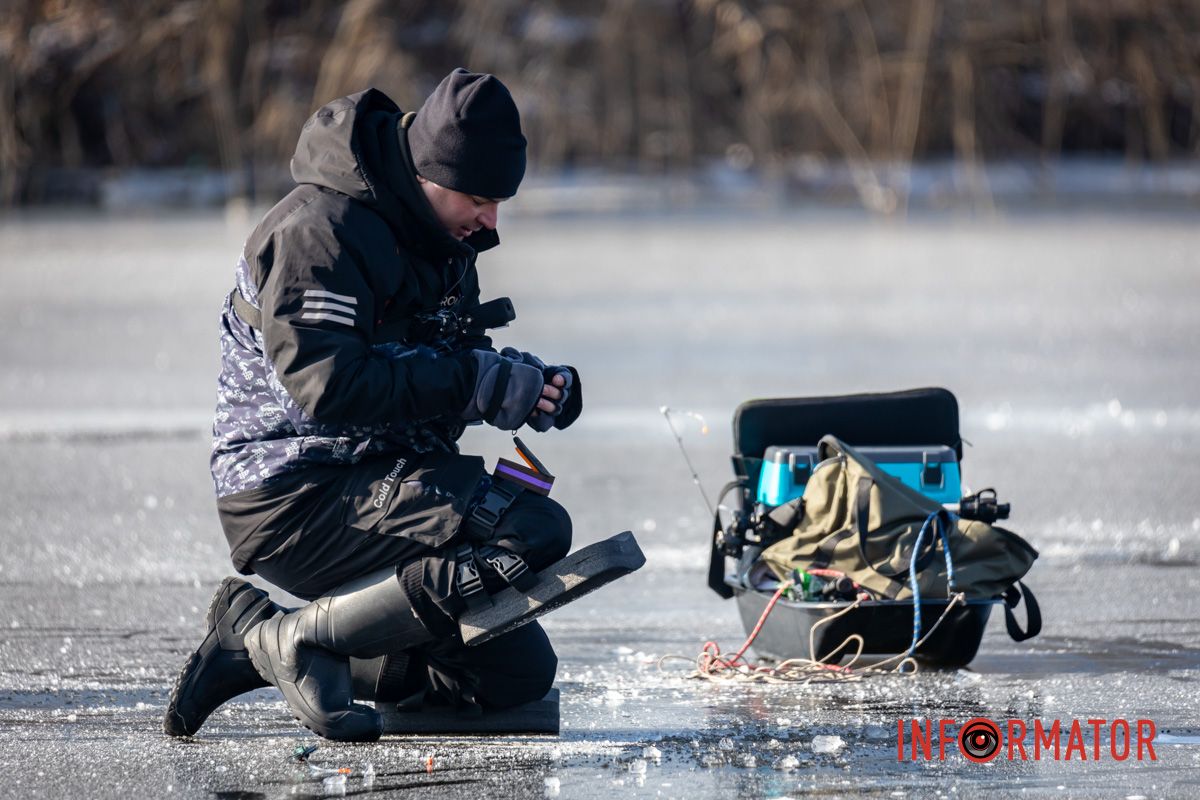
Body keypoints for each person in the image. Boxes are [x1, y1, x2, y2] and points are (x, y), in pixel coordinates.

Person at [163, 69, 581, 742]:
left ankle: (253, 643)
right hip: (291, 496)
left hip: (378, 476)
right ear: (426, 174)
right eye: (478, 197)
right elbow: (329, 388)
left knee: (509, 678)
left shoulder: (442, 239)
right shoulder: (317, 234)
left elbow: (439, 363)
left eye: (501, 201)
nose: (491, 220)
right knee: (533, 529)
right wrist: (472, 381)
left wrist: (523, 386)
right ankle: (292, 640)